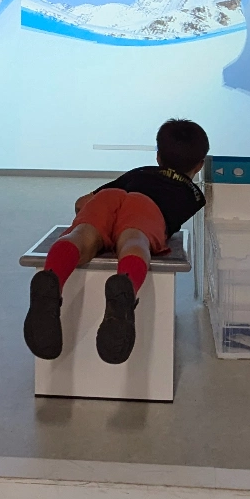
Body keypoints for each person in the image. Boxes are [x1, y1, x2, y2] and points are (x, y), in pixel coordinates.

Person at [23, 119, 209, 365]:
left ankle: (53, 279)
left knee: (82, 235)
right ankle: (125, 289)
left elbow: (82, 202)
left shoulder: (140, 172)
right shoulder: (194, 195)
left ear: (157, 156)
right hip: (147, 208)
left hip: (110, 197)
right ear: (200, 164)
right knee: (134, 240)